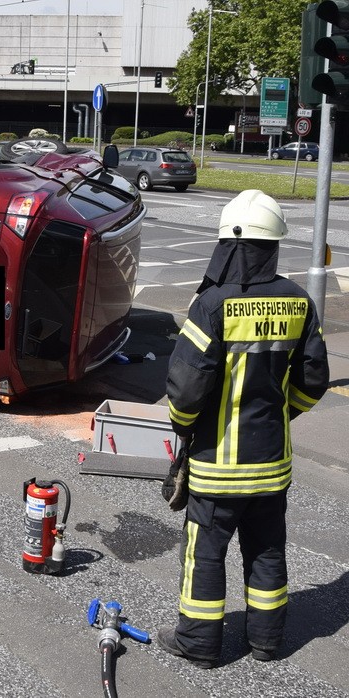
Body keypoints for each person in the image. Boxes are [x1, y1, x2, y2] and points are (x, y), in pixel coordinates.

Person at [157, 190, 329, 669]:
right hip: (271, 466)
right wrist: (282, 414)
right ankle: (267, 643)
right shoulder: (298, 301)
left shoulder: (212, 304)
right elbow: (314, 380)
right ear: (273, 245)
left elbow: (186, 390)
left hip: (216, 468)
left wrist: (185, 430)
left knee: (205, 556)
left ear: (227, 244)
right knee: (268, 551)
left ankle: (199, 643)